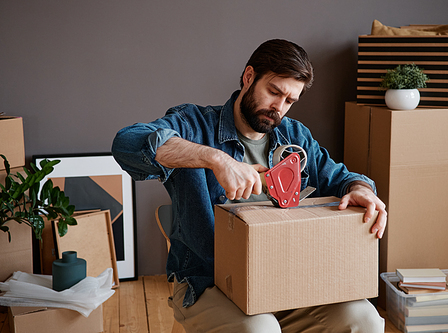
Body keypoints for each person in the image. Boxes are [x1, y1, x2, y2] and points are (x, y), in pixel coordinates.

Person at [112, 39, 387, 332]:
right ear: (248, 77)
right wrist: (215, 159)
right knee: (260, 329)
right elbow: (126, 143)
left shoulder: (295, 137)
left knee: (365, 319)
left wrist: (361, 189)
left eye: (289, 101)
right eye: (274, 92)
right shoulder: (195, 125)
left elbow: (340, 177)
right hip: (209, 281)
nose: (278, 108)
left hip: (287, 279)